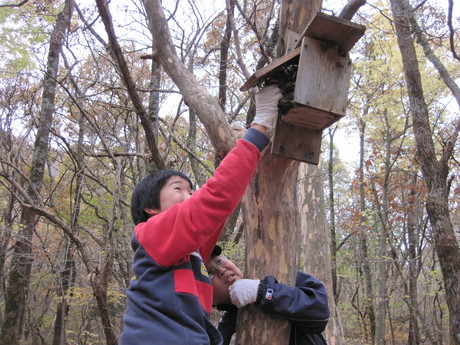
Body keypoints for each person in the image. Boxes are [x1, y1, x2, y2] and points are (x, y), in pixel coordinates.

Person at [119, 85, 284, 345]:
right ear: (151, 209)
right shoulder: (151, 233)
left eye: (191, 190)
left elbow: (219, 207)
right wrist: (260, 125)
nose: (190, 195)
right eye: (178, 189)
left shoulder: (187, 251)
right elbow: (216, 197)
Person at [206, 245, 330, 345]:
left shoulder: (283, 276)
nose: (221, 270)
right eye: (209, 273)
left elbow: (320, 312)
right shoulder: (223, 335)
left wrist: (263, 291)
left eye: (219, 261)